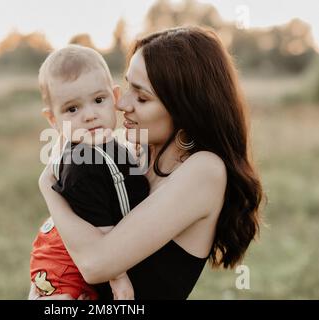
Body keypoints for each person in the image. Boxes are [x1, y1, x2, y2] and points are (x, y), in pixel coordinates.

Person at [34, 26, 264, 300]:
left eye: (142, 97)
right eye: (127, 85)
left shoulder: (205, 170)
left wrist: (48, 187)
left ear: (183, 107)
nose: (122, 104)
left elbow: (95, 265)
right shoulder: (129, 153)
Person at [29, 45, 150, 300]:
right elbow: (100, 231)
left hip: (68, 245)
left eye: (98, 100)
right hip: (62, 259)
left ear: (114, 97)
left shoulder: (106, 145)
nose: (90, 115)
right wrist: (118, 278)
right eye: (72, 109)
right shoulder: (83, 165)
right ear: (53, 119)